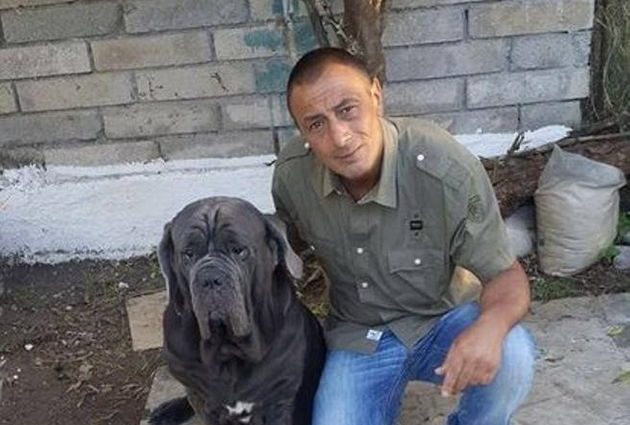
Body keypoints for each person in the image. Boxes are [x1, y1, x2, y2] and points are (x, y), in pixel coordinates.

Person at [271, 47, 536, 425]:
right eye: (316, 124)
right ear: (302, 132)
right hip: (358, 336)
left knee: (513, 353)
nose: (340, 137)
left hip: (442, 319)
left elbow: (505, 275)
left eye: (348, 109)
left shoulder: (444, 167)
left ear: (375, 95)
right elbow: (298, 254)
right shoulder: (293, 179)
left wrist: (490, 328)